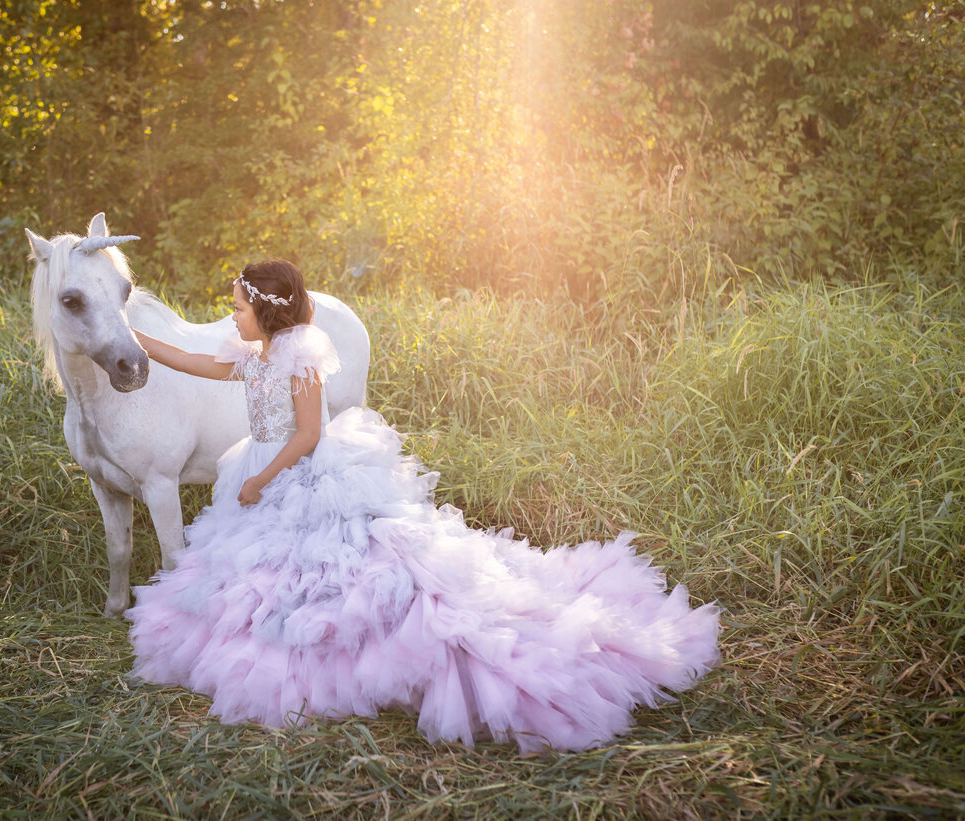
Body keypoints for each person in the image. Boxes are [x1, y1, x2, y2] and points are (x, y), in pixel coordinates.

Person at [126, 259, 720, 753]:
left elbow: (308, 434)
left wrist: (262, 479)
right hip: (257, 469)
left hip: (301, 474)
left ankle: (347, 648)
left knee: (336, 566)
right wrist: (132, 338)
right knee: (261, 572)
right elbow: (192, 362)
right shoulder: (251, 358)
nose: (230, 315)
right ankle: (271, 635)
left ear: (267, 311)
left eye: (236, 307)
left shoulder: (299, 363)